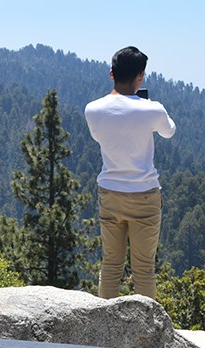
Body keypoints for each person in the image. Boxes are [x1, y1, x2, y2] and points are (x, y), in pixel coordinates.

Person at [85, 46, 176, 299]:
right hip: (145, 195)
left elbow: (98, 136)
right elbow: (169, 131)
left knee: (111, 266)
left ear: (111, 73)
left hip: (110, 193)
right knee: (144, 269)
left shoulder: (92, 109)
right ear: (141, 76)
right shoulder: (152, 109)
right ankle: (148, 332)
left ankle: (104, 326)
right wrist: (150, 108)